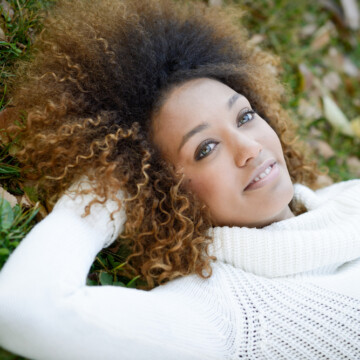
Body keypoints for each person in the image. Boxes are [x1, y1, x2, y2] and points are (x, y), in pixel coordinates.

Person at [0, 0, 359, 359]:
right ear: (165, 192)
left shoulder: (345, 201)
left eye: (245, 116)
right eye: (206, 149)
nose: (249, 148)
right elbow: (25, 308)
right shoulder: (227, 316)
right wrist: (108, 187)